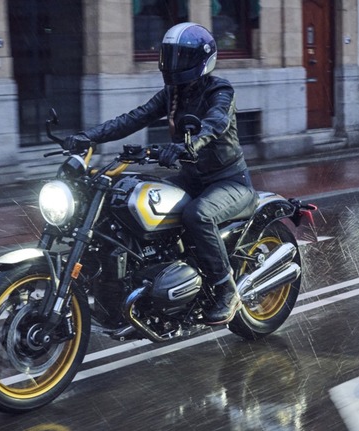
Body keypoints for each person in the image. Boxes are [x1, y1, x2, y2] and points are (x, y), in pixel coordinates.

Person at [64, 22, 255, 325]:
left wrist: (185, 144)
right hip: (192, 180)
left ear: (200, 59)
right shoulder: (172, 93)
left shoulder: (220, 89)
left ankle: (225, 289)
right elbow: (134, 118)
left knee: (198, 216)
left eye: (181, 57)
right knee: (133, 200)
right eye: (171, 56)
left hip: (228, 182)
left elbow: (215, 123)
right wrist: (88, 136)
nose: (173, 63)